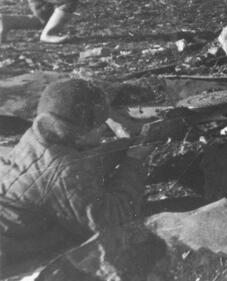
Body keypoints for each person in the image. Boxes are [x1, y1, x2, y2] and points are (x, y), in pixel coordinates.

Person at [0, 79, 147, 275]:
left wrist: (125, 146)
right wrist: (134, 162)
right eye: (99, 125)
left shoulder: (39, 136)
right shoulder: (63, 170)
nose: (103, 129)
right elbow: (113, 220)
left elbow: (80, 163)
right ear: (77, 132)